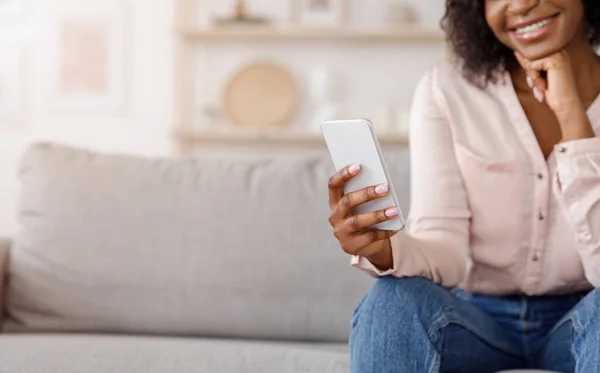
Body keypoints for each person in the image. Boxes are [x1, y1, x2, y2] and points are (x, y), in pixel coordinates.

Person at [327, 0, 600, 372]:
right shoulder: (448, 90)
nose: (520, 5)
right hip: (476, 319)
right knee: (392, 301)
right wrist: (384, 250)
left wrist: (570, 113)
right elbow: (445, 243)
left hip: (586, 315)